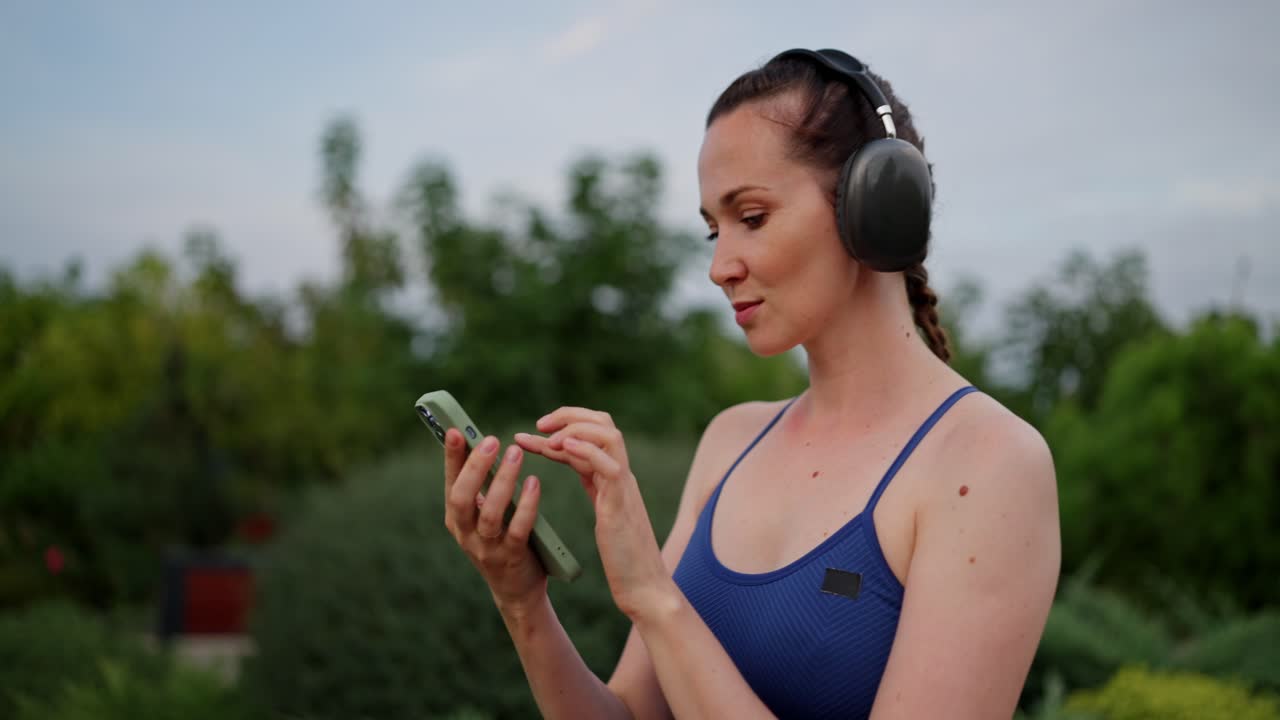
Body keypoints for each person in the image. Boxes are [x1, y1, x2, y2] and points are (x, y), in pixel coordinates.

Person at [441, 48, 1061, 719]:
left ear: (873, 205)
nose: (718, 267)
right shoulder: (731, 440)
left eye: (752, 217)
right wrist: (522, 601)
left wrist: (656, 597)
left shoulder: (988, 465)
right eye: (713, 229)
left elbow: (664, 612)